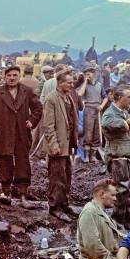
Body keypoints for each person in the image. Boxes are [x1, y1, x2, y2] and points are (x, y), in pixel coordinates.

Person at [0, 64, 43, 205]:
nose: (12, 78)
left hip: (21, 133)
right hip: (4, 133)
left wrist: (31, 121)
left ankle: (23, 193)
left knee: (23, 162)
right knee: (5, 162)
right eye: (9, 76)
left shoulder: (27, 91)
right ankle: (6, 192)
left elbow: (38, 108)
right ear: (4, 77)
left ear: (19, 77)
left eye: (15, 75)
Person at [43, 70, 79, 221]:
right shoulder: (51, 99)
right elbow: (48, 125)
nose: (72, 85)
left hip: (67, 143)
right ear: (60, 83)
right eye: (69, 82)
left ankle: (64, 203)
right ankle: (55, 206)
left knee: (66, 175)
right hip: (57, 145)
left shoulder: (68, 97)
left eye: (72, 82)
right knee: (57, 176)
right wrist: (53, 144)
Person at [100, 87, 130, 228]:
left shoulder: (123, 112)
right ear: (119, 98)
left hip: (126, 154)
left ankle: (127, 217)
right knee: (121, 189)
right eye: (128, 97)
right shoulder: (110, 113)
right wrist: (124, 123)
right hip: (117, 156)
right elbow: (106, 124)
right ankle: (118, 220)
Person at [77, 65, 105, 163]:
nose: (88, 75)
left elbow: (105, 97)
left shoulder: (99, 84)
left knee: (96, 133)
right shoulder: (84, 85)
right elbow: (80, 94)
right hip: (88, 109)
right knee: (88, 133)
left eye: (89, 73)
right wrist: (85, 81)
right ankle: (87, 156)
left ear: (93, 74)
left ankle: (93, 156)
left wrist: (101, 106)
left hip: (97, 109)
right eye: (86, 73)